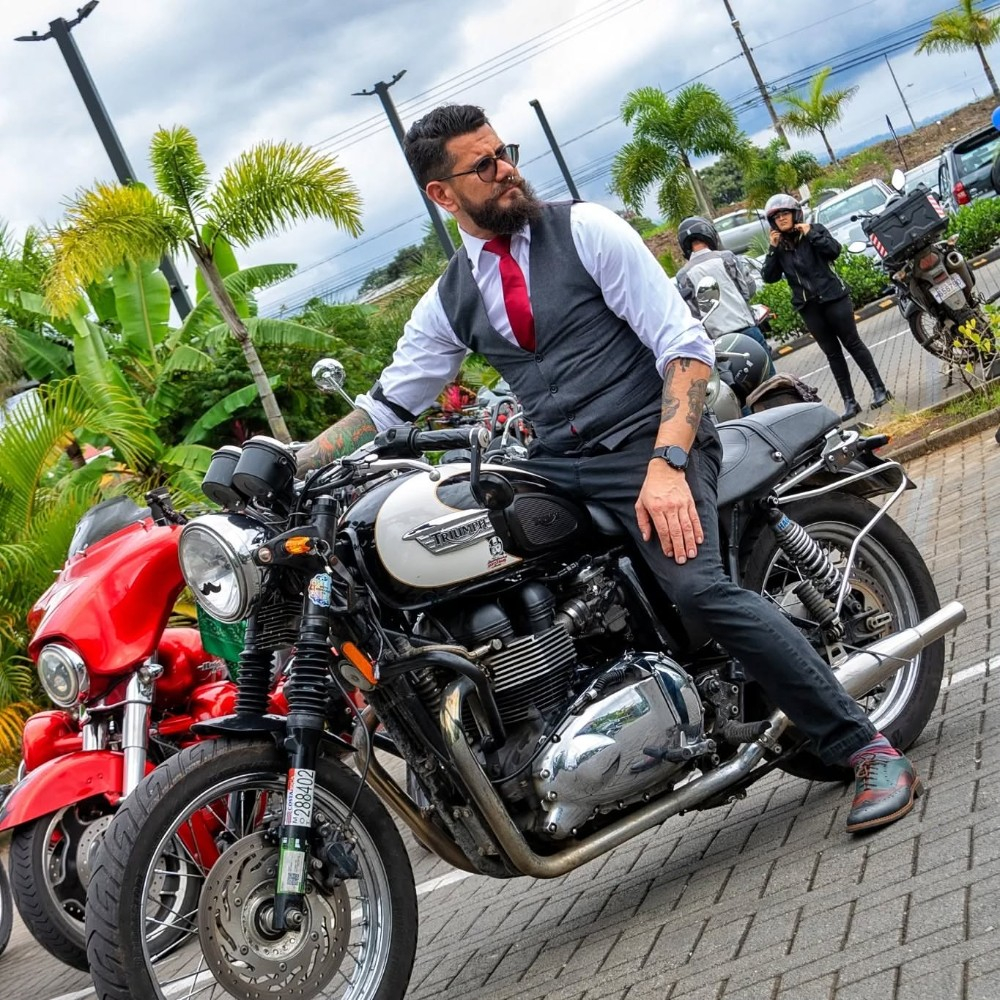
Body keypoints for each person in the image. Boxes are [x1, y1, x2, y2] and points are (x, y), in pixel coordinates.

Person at [296, 104, 921, 834]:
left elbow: (684, 349)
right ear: (442, 194)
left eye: (504, 152)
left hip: (651, 442)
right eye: (484, 165)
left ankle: (865, 748)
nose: (506, 170)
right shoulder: (452, 296)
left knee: (700, 588)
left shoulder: (586, 231)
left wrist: (667, 464)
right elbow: (387, 404)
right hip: (557, 463)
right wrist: (297, 462)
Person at [760, 193, 892, 421]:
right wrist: (772, 249)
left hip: (834, 298)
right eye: (776, 216)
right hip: (808, 307)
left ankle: (879, 389)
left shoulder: (815, 230)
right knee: (832, 354)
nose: (781, 218)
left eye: (785, 213)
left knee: (853, 343)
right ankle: (850, 402)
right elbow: (769, 277)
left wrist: (811, 234)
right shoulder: (779, 247)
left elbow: (834, 251)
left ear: (795, 214)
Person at [674, 215, 775, 379]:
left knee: (740, 390)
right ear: (710, 235)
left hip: (721, 345)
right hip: (747, 331)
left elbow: (694, 315)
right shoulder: (727, 258)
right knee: (771, 381)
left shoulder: (683, 275)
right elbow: (749, 290)